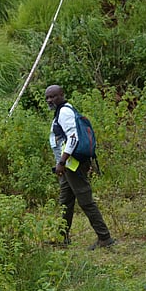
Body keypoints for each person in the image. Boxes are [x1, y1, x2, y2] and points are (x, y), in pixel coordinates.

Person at [45, 85, 115, 250]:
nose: (49, 100)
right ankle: (63, 238)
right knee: (65, 202)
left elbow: (73, 138)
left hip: (72, 164)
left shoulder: (65, 112)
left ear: (62, 95)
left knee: (85, 200)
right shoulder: (63, 111)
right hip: (68, 165)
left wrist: (61, 162)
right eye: (47, 97)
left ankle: (105, 238)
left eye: (53, 96)